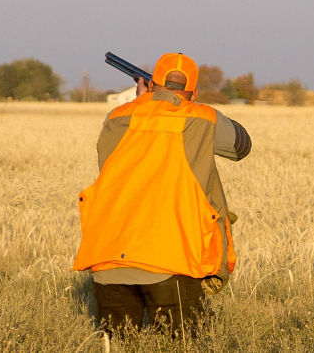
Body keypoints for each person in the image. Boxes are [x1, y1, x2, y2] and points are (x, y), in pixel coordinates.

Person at [72, 52, 252, 341]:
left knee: (118, 343)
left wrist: (142, 99)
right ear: (193, 90)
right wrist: (196, 105)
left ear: (151, 83)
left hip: (107, 259)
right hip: (171, 259)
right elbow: (241, 145)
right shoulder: (201, 117)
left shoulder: (116, 117)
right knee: (183, 344)